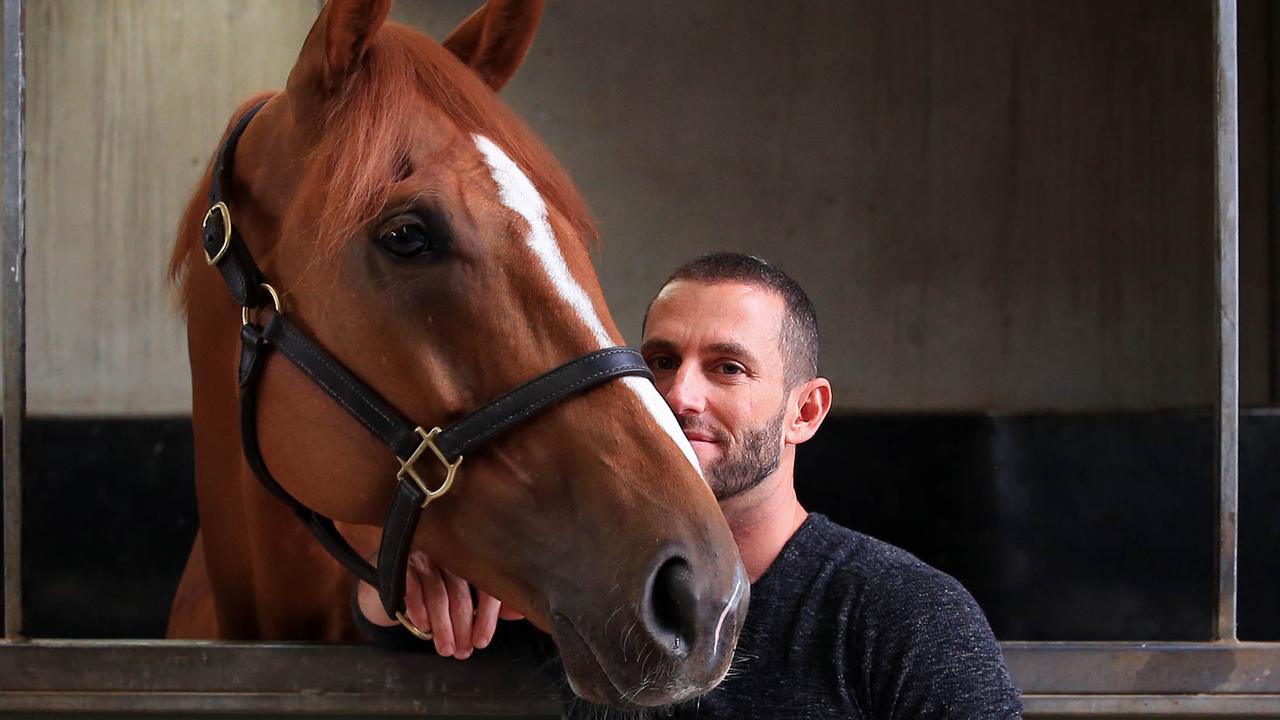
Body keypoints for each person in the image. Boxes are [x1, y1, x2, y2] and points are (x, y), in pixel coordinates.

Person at [356, 252, 1023, 718]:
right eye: (661, 362)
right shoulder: (594, 584)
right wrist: (415, 570)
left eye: (728, 368)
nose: (679, 396)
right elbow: (390, 632)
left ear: (806, 412)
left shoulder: (905, 615)